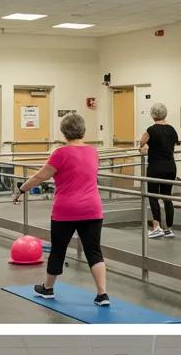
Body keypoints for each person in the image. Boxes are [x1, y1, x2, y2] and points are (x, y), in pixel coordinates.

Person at [13, 113, 110, 307]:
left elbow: (40, 176)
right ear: (82, 129)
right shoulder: (93, 152)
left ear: (64, 132)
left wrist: (21, 189)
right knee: (94, 252)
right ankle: (102, 294)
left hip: (66, 210)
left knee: (58, 250)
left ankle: (48, 289)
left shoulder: (60, 153)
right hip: (92, 209)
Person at [140, 103, 180, 239]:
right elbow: (172, 144)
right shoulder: (172, 129)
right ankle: (169, 229)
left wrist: (145, 148)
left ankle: (156, 227)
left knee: (153, 196)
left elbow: (141, 144)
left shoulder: (150, 130)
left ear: (152, 115)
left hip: (155, 166)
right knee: (167, 197)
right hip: (170, 166)